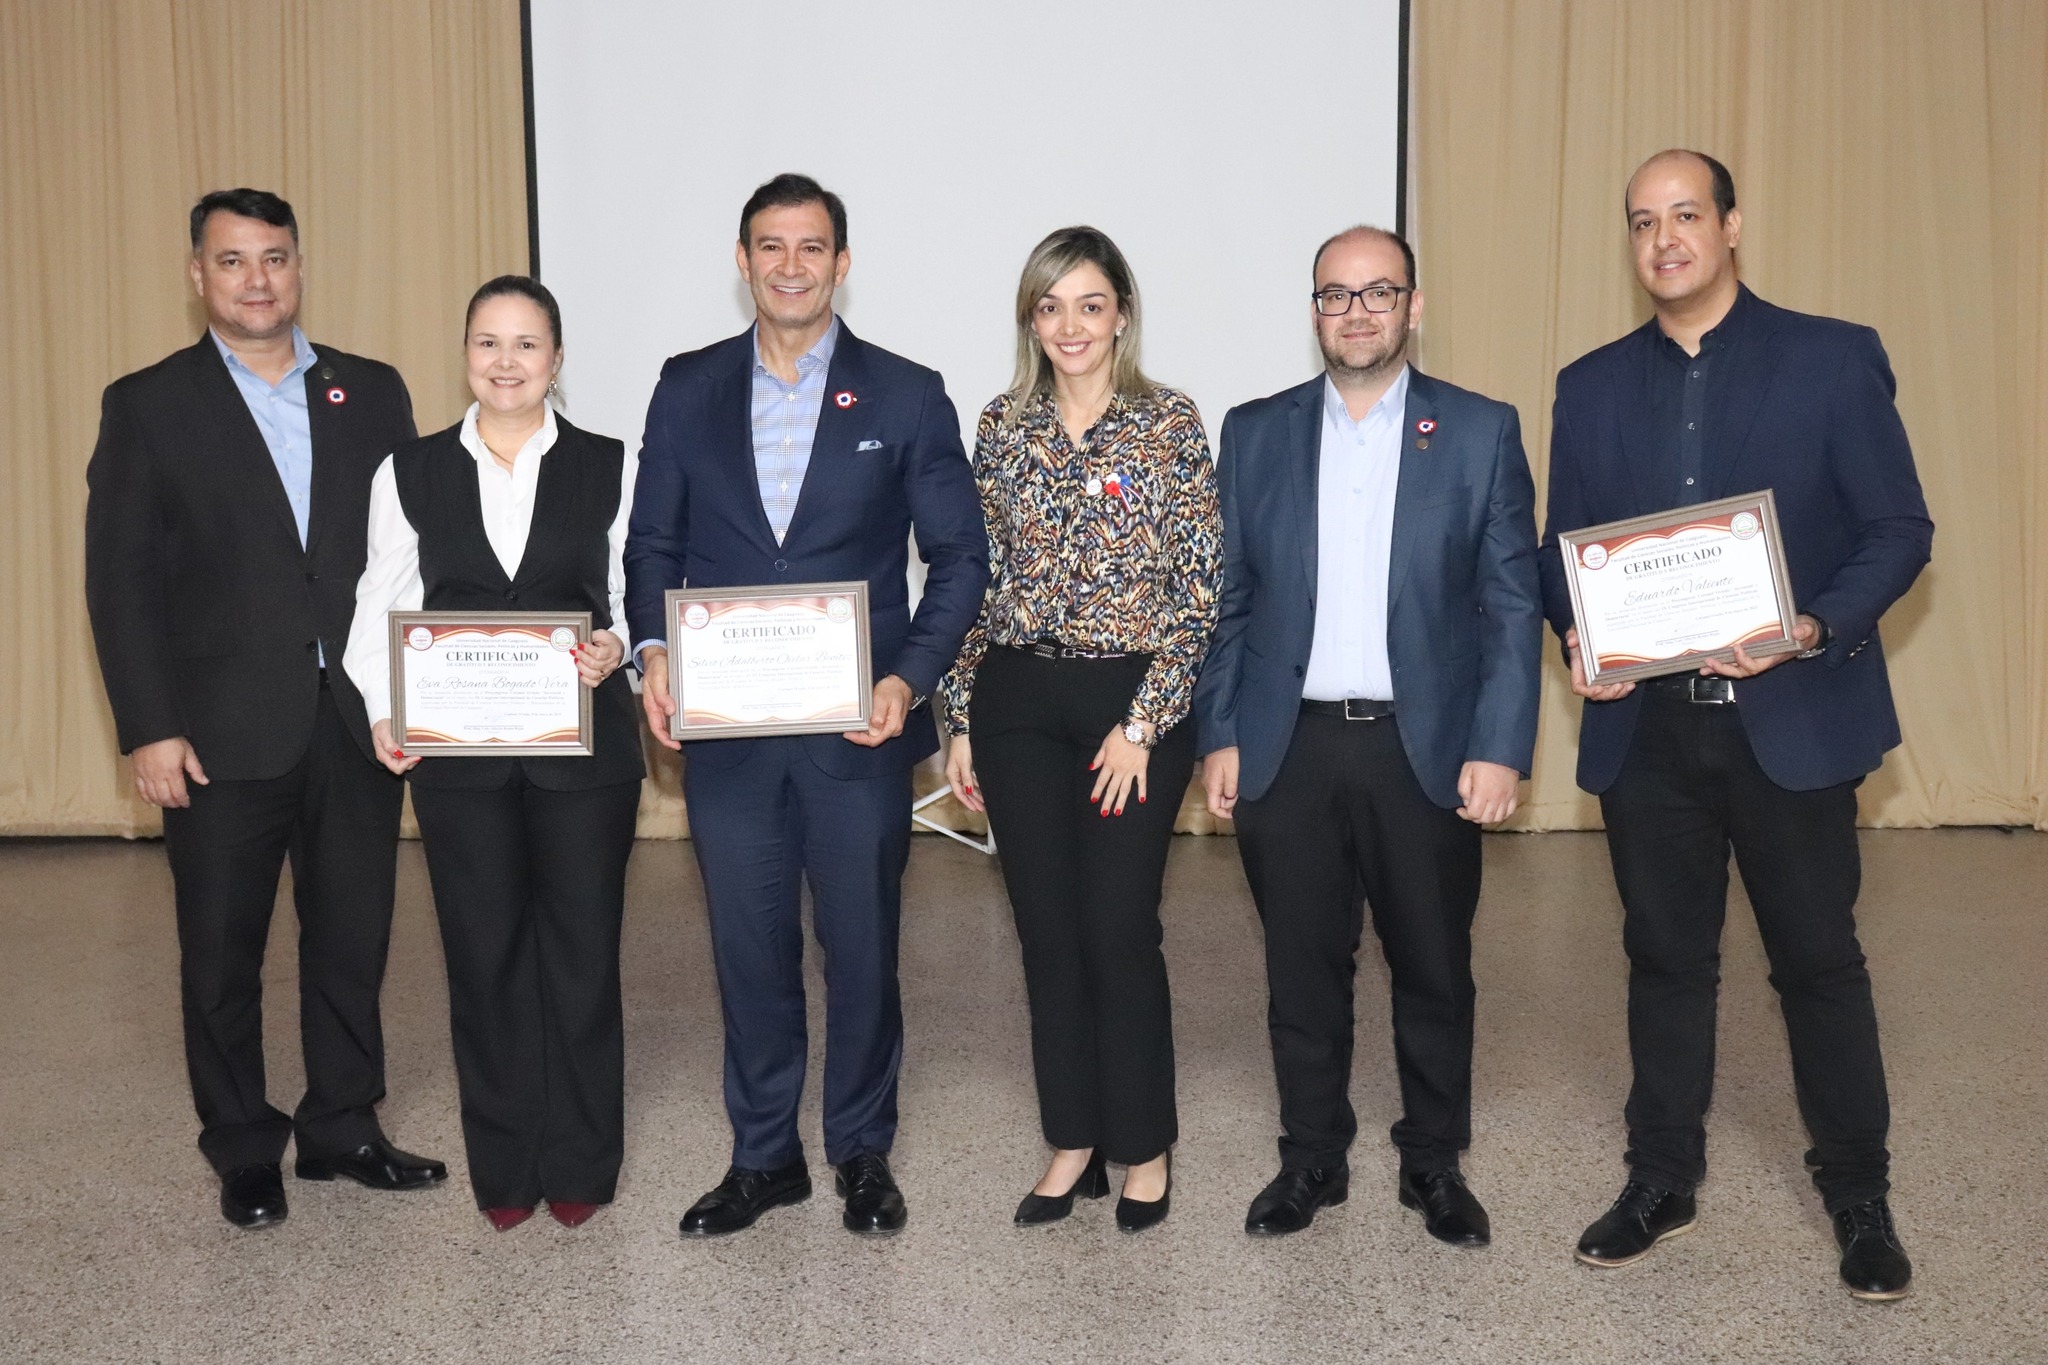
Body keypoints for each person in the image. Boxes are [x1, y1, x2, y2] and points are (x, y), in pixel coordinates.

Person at [1541, 150, 1930, 1301]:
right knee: (1662, 962)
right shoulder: (1589, 383)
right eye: (1641, 222)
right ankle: (1660, 1179)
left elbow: (1897, 529)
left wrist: (1808, 628)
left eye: (1684, 216)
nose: (1662, 239)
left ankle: (1857, 1192)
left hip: (1790, 717)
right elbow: (1564, 551)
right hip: (1647, 735)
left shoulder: (1829, 357)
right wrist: (1577, 634)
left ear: (1729, 226)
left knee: (1818, 965)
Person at [625, 173, 989, 1237]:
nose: (790, 264)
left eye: (811, 246)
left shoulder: (906, 392)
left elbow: (959, 557)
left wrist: (906, 675)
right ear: (741, 262)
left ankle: (862, 1151)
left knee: (863, 947)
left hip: (855, 730)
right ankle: (763, 1155)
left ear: (841, 262)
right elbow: (651, 543)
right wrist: (651, 649)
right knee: (747, 947)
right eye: (769, 246)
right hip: (730, 735)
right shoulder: (686, 386)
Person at [83, 189, 445, 1228]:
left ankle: (343, 1126)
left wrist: (425, 689)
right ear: (199, 275)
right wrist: (149, 726)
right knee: (220, 951)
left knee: (351, 938)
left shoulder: (369, 391)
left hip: (356, 723)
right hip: (217, 733)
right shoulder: (148, 403)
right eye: (233, 261)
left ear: (299, 267)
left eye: (274, 259)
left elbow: (411, 555)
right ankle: (244, 1144)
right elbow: (122, 582)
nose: (257, 280)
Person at [1193, 226, 1541, 1245]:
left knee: (1432, 968)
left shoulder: (1477, 431)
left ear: (1413, 307)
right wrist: (1220, 732)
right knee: (1300, 970)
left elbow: (1508, 606)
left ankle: (1432, 1164)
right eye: (1333, 296)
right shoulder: (1255, 431)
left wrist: (1500, 744)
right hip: (1285, 747)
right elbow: (1230, 599)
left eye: (1375, 293)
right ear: (1312, 313)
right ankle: (1309, 1160)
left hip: (1421, 748)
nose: (1354, 313)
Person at [343, 276, 643, 1232]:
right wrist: (386, 710)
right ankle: (505, 1167)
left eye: (526, 344)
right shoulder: (412, 470)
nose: (505, 361)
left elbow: (641, 579)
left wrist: (619, 642)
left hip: (585, 753)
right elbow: (380, 602)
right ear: (465, 354)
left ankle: (583, 1162)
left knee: (584, 956)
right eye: (487, 343)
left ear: (556, 359)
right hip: (458, 759)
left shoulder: (610, 463)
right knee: (484, 958)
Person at [939, 227, 1220, 1234]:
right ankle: (1073, 1142)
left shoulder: (1167, 422)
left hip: (1129, 706)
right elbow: (978, 585)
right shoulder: (1000, 425)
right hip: (1017, 701)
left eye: (1089, 304)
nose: (1070, 325)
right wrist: (960, 714)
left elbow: (1198, 597)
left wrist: (1143, 723)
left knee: (1116, 929)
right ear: (1030, 318)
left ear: (1122, 315)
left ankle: (1141, 1145)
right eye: (1050, 305)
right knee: (1045, 934)